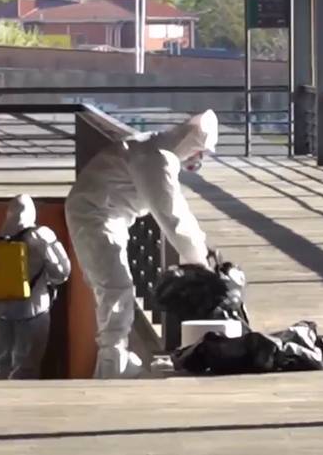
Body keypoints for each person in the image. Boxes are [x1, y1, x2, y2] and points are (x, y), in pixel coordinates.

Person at [65, 110, 219, 379]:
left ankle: (113, 358)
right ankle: (112, 362)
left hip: (103, 215)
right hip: (97, 216)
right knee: (115, 287)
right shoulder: (156, 159)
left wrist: (197, 251)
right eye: (200, 153)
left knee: (111, 287)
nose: (197, 160)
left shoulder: (152, 147)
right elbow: (171, 214)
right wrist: (199, 257)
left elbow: (173, 209)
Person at [0, 194, 71, 380]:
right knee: (26, 365)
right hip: (33, 309)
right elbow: (62, 272)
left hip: (0, 309)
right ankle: (20, 402)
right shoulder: (40, 235)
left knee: (0, 360)